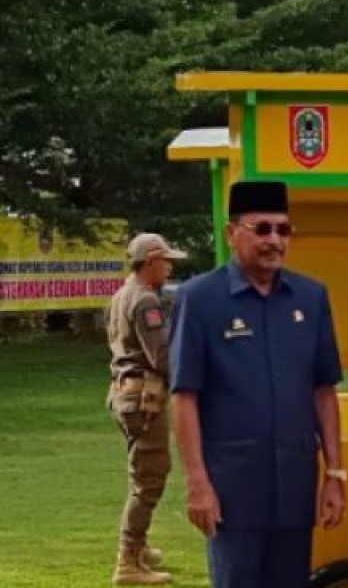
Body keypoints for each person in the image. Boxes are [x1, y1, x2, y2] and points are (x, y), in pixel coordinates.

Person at [169, 181, 346, 588]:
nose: (274, 241)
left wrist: (335, 474)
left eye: (283, 230)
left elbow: (323, 390)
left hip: (294, 485)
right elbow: (184, 396)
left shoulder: (310, 298)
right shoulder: (200, 299)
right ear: (232, 233)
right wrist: (197, 483)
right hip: (233, 490)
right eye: (262, 229)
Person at [106, 233, 187, 585]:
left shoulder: (122, 294)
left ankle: (138, 547)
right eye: (166, 261)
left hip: (126, 393)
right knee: (150, 478)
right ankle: (128, 560)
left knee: (141, 474)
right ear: (151, 260)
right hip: (144, 398)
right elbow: (162, 357)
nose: (170, 267)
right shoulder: (145, 301)